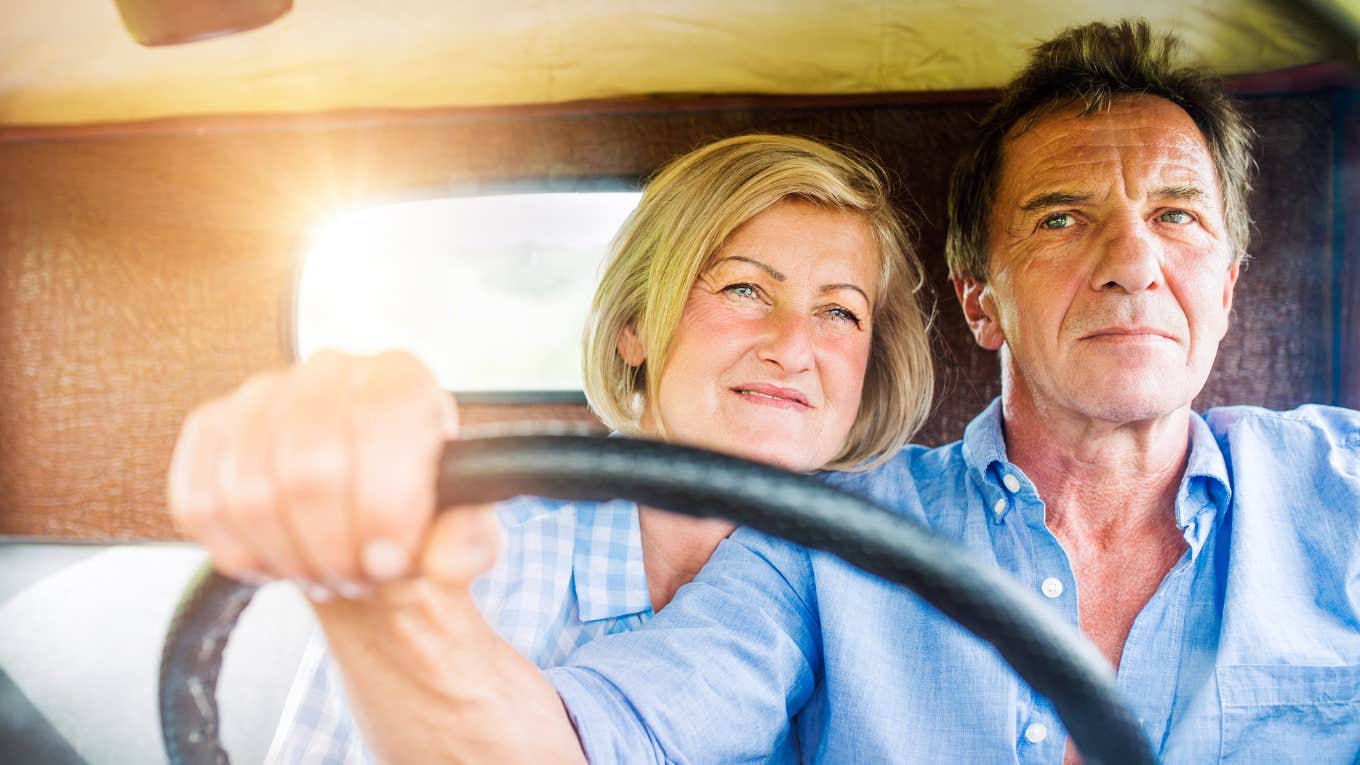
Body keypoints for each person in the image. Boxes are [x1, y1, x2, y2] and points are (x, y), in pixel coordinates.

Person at [172, 19, 1360, 765]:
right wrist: (386, 588)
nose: (1131, 261)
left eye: (1177, 219)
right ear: (978, 300)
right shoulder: (824, 551)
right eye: (1062, 217)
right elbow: (589, 746)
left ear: (1227, 280)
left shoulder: (1341, 487)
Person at [168, 133, 936, 763]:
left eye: (839, 312)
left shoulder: (878, 594)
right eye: (743, 290)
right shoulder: (478, 559)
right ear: (636, 326)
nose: (793, 346)